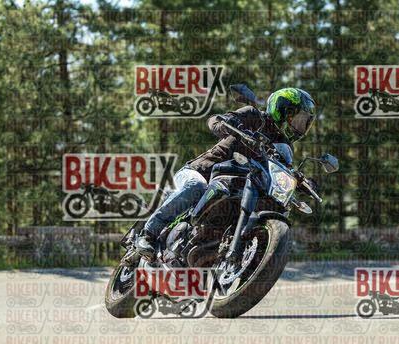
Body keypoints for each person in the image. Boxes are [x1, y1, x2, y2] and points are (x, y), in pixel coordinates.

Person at [135, 87, 316, 257]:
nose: (299, 126)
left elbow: (285, 168)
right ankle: (148, 234)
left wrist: (302, 181)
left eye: (304, 122)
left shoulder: (283, 145)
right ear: (282, 110)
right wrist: (224, 123)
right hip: (203, 171)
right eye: (296, 119)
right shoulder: (254, 116)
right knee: (197, 186)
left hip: (240, 184)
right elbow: (216, 120)